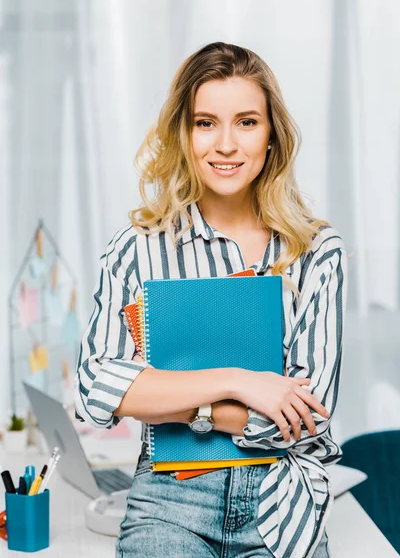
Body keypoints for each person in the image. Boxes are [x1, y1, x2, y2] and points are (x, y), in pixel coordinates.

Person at [74, 41, 348, 558]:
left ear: (272, 136)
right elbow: (96, 387)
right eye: (206, 123)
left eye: (246, 122)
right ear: (185, 134)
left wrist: (168, 400)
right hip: (168, 502)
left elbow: (310, 416)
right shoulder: (137, 248)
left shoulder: (315, 251)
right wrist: (241, 383)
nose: (225, 144)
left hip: (280, 504)